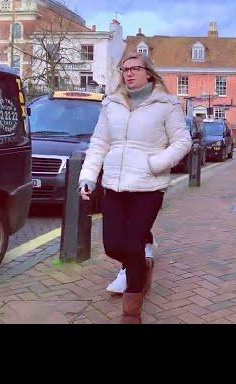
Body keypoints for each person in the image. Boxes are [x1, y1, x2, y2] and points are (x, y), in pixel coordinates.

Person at [78, 52, 191, 324]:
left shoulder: (167, 105)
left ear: (148, 73)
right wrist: (88, 177)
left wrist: (156, 163)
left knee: (133, 244)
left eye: (135, 69)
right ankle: (142, 264)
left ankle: (132, 313)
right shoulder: (111, 105)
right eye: (124, 69)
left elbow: (182, 141)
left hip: (148, 188)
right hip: (114, 186)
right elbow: (99, 144)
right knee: (112, 245)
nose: (128, 73)